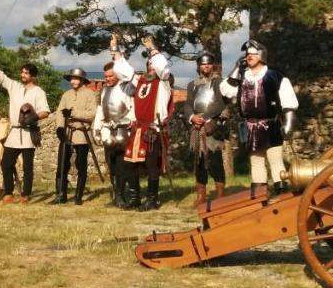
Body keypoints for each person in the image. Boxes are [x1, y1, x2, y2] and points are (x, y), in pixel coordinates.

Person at [219, 40, 298, 198]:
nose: (249, 56)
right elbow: (226, 91)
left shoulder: (275, 76)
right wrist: (236, 68)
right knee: (256, 162)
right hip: (250, 127)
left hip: (271, 125)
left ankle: (283, 196)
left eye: (253, 53)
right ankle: (260, 198)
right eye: (247, 54)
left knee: (275, 161)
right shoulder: (242, 76)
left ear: (261, 55)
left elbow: (288, 102)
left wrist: (288, 124)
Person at [112, 35, 173, 211]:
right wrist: (115, 50)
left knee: (151, 165)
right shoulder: (140, 81)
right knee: (131, 163)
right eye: (149, 66)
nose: (152, 68)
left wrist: (152, 49)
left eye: (154, 66)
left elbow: (162, 66)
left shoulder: (164, 83)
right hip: (138, 128)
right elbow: (124, 70)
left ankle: (152, 199)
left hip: (153, 129)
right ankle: (135, 197)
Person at [0, 62, 49, 204]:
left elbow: (45, 111)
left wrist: (34, 116)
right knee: (6, 163)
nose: (23, 75)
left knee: (28, 167)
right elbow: (0, 76)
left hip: (29, 132)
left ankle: (25, 195)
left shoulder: (39, 92)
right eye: (22, 72)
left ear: (33, 76)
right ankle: (8, 194)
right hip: (15, 132)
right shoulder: (14, 86)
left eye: (26, 73)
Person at [184, 54, 229, 210]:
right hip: (197, 126)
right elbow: (188, 104)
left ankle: (221, 195)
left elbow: (221, 103)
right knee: (199, 162)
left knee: (215, 161)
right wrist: (192, 117)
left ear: (213, 66)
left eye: (209, 64)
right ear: (198, 67)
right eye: (203, 65)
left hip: (212, 125)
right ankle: (201, 196)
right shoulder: (192, 85)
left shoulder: (219, 82)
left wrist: (206, 117)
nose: (206, 67)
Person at [53, 68, 99, 205]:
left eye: (76, 78)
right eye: (72, 78)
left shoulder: (90, 94)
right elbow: (59, 112)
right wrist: (60, 127)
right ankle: (61, 194)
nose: (73, 81)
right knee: (62, 164)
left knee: (81, 165)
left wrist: (74, 113)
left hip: (81, 133)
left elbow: (92, 114)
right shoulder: (66, 95)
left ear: (82, 80)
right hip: (67, 133)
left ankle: (78, 196)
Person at [92, 61, 132, 207]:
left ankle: (121, 196)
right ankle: (116, 195)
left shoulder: (126, 89)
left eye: (110, 76)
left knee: (122, 166)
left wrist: (123, 121)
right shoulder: (104, 91)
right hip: (108, 131)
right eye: (106, 77)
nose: (107, 79)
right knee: (112, 165)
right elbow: (101, 111)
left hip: (123, 131)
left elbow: (132, 110)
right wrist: (96, 129)